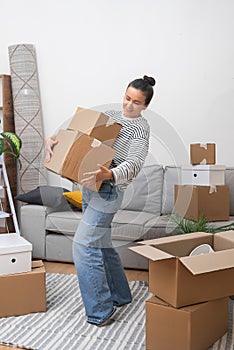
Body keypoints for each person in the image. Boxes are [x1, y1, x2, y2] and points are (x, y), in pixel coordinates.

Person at [45, 75, 156, 326]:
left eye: (136, 102)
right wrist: (53, 139)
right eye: (127, 98)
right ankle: (120, 294)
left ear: (146, 106)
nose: (129, 105)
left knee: (83, 245)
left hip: (108, 191)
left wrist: (111, 173)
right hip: (89, 187)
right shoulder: (111, 114)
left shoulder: (141, 128)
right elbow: (78, 134)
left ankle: (101, 310)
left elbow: (136, 162)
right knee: (101, 243)